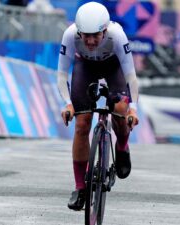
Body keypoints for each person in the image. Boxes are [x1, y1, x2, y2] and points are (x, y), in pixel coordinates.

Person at [57, 1, 139, 211]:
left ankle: (121, 147)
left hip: (114, 67)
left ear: (105, 30)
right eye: (86, 36)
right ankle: (79, 187)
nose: (91, 41)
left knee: (120, 111)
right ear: (78, 32)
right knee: (81, 124)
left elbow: (131, 75)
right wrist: (68, 104)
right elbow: (62, 74)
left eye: (96, 35)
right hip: (85, 67)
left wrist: (133, 108)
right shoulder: (69, 35)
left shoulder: (117, 35)